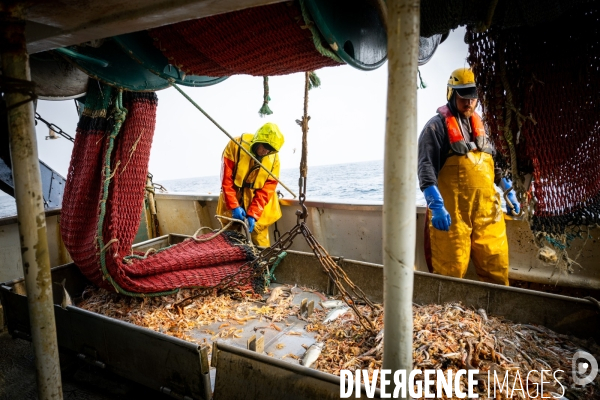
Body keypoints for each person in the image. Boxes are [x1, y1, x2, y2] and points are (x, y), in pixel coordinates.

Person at [417, 67, 520, 286]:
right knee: (450, 273)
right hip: (452, 215)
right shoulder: (435, 128)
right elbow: (426, 170)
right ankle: (449, 317)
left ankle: (497, 317)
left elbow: (495, 167)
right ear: (451, 94)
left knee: (496, 265)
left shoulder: (483, 128)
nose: (469, 104)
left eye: (473, 98)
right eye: (464, 97)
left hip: (487, 212)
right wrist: (436, 206)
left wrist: (508, 191)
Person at [216, 122, 285, 246]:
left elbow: (267, 189)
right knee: (229, 237)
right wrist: (234, 206)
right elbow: (226, 179)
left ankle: (264, 264)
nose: (265, 152)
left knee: (260, 239)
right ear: (257, 141)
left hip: (258, 202)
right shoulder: (235, 145)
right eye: (264, 147)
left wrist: (253, 214)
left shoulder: (274, 160)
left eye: (269, 150)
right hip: (233, 197)